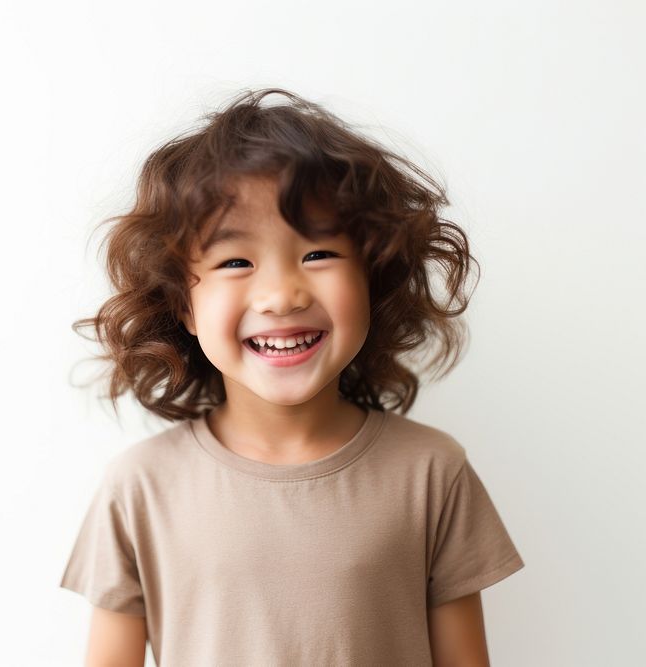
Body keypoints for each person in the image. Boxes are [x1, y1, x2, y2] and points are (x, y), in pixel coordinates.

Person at [58, 88, 524, 666]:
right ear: (183, 303)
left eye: (319, 253)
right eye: (235, 262)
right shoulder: (140, 487)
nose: (281, 295)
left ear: (371, 279)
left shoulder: (431, 472)